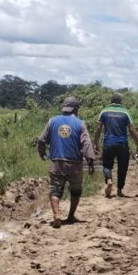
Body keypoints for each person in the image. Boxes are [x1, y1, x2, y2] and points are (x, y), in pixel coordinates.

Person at [37, 97, 96, 228]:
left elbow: (41, 140)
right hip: (75, 164)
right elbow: (86, 144)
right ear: (75, 109)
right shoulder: (80, 124)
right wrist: (91, 162)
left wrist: (42, 153)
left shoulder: (52, 121)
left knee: (55, 190)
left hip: (57, 162)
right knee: (76, 190)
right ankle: (70, 216)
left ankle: (57, 215)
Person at [94, 94, 138, 199]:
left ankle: (109, 180)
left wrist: (95, 143)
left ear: (111, 101)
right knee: (122, 167)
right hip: (122, 144)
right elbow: (132, 130)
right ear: (121, 102)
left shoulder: (104, 111)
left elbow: (98, 128)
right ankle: (120, 190)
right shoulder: (125, 112)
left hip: (108, 143)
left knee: (107, 165)